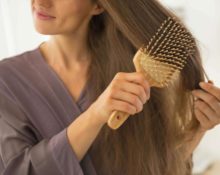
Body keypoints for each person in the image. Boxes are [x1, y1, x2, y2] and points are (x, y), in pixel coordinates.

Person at [0, 0, 219, 175]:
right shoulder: (6, 79)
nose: (41, 2)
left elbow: (160, 167)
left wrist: (197, 129)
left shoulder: (132, 73)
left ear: (98, 5)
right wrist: (96, 114)